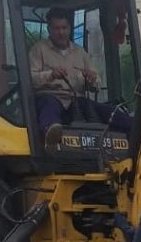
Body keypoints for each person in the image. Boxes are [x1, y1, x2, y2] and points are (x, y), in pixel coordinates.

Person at [29, 8, 132, 150]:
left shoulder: (80, 52)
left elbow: (97, 83)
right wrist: (50, 75)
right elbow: (30, 78)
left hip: (76, 101)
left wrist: (92, 79)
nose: (61, 32)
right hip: (50, 97)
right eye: (56, 28)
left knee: (106, 111)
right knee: (49, 106)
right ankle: (50, 134)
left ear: (70, 28)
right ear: (49, 29)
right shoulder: (38, 49)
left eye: (64, 28)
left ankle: (135, 128)